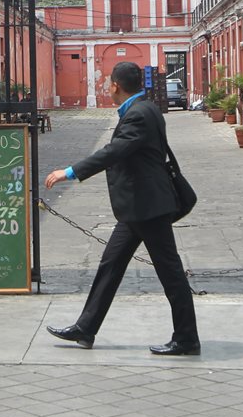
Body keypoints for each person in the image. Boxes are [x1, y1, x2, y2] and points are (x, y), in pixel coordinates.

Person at [43, 61, 199, 355]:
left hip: (149, 207)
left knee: (171, 273)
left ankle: (187, 338)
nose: (107, 87)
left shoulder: (138, 114)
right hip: (136, 207)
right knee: (110, 266)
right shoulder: (145, 107)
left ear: (115, 85)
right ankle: (85, 328)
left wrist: (71, 171)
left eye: (108, 83)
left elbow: (114, 151)